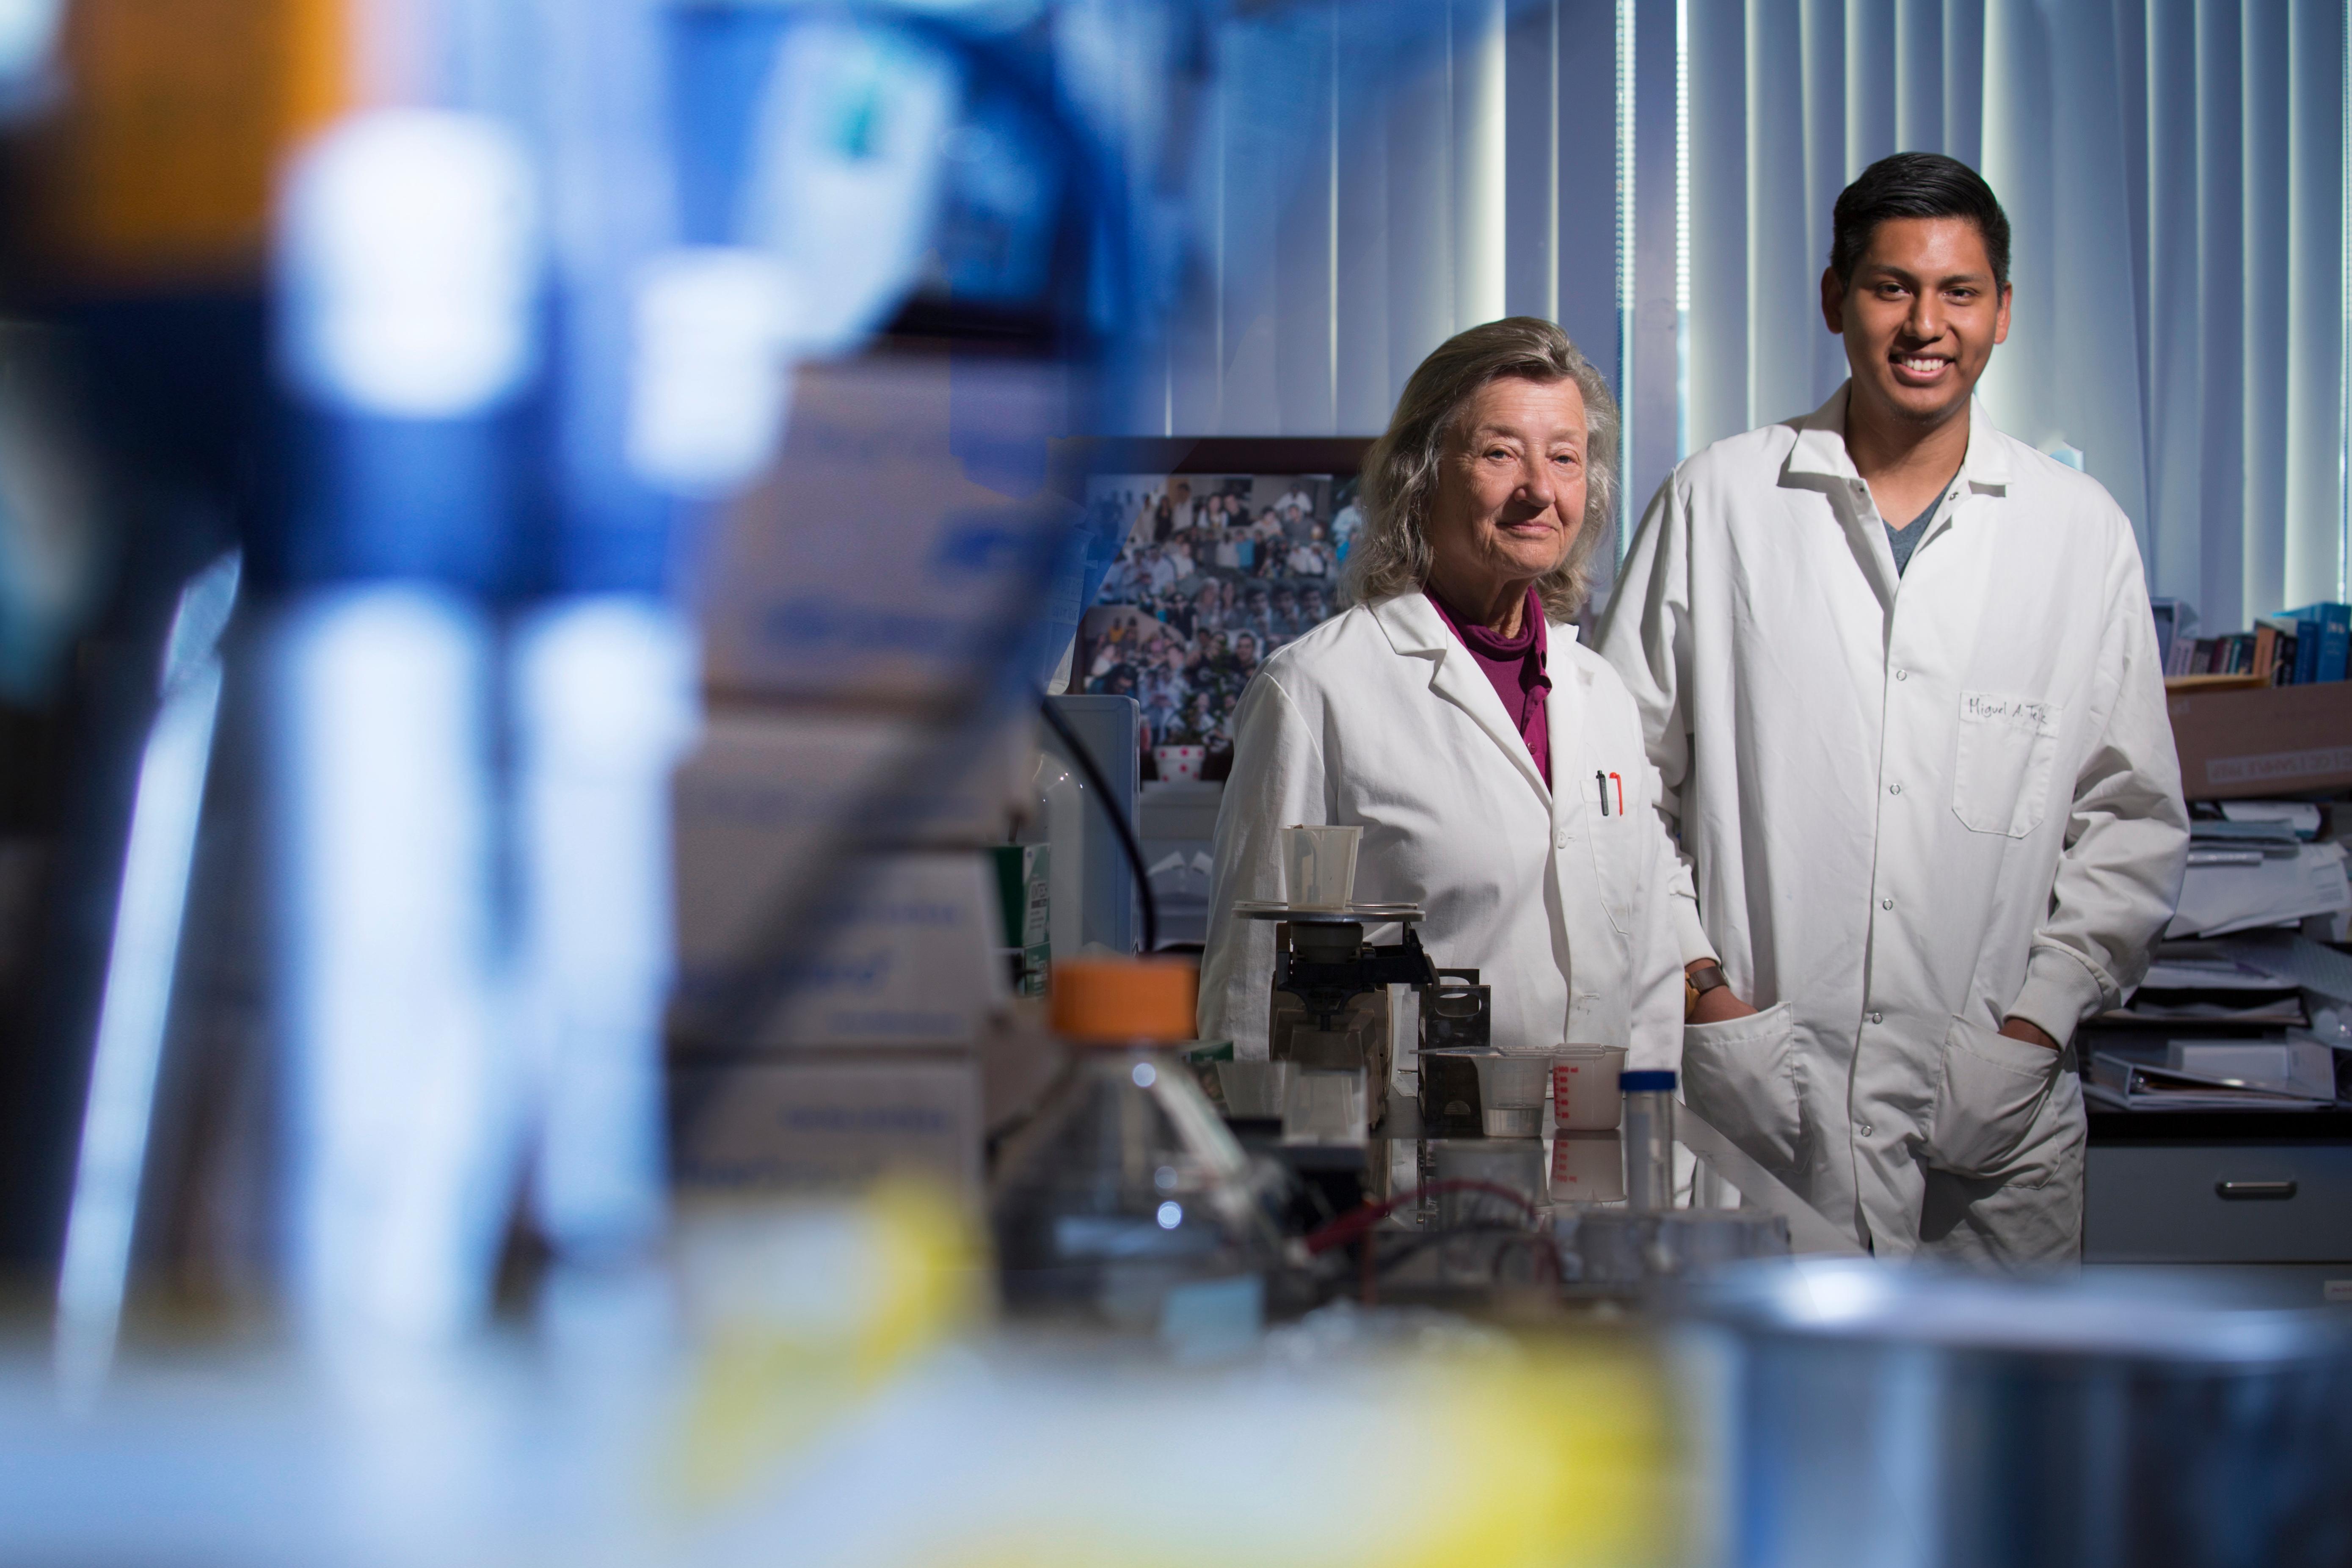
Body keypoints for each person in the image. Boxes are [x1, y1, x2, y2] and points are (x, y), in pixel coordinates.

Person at [1596, 152, 2188, 1265]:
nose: (1925, 324)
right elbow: (1611, 784)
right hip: (1753, 1113)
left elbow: (2131, 818)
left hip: (1988, 1132)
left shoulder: (2075, 531)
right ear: (1832, 300)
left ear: (2001, 313)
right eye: (1889, 288)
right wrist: (1701, 991)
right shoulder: (1718, 502)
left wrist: (2031, 1024)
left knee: (1992, 1434)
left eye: (1957, 292)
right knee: (1752, 1430)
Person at [1201, 317, 1684, 1060]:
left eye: (1564, 458)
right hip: (1413, 1158)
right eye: (1499, 453)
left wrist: (1660, 1160)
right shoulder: (1315, 690)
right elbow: (1250, 991)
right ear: (1419, 476)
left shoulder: (1601, 694)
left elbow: (1648, 967)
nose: (1538, 490)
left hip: (1604, 1157)